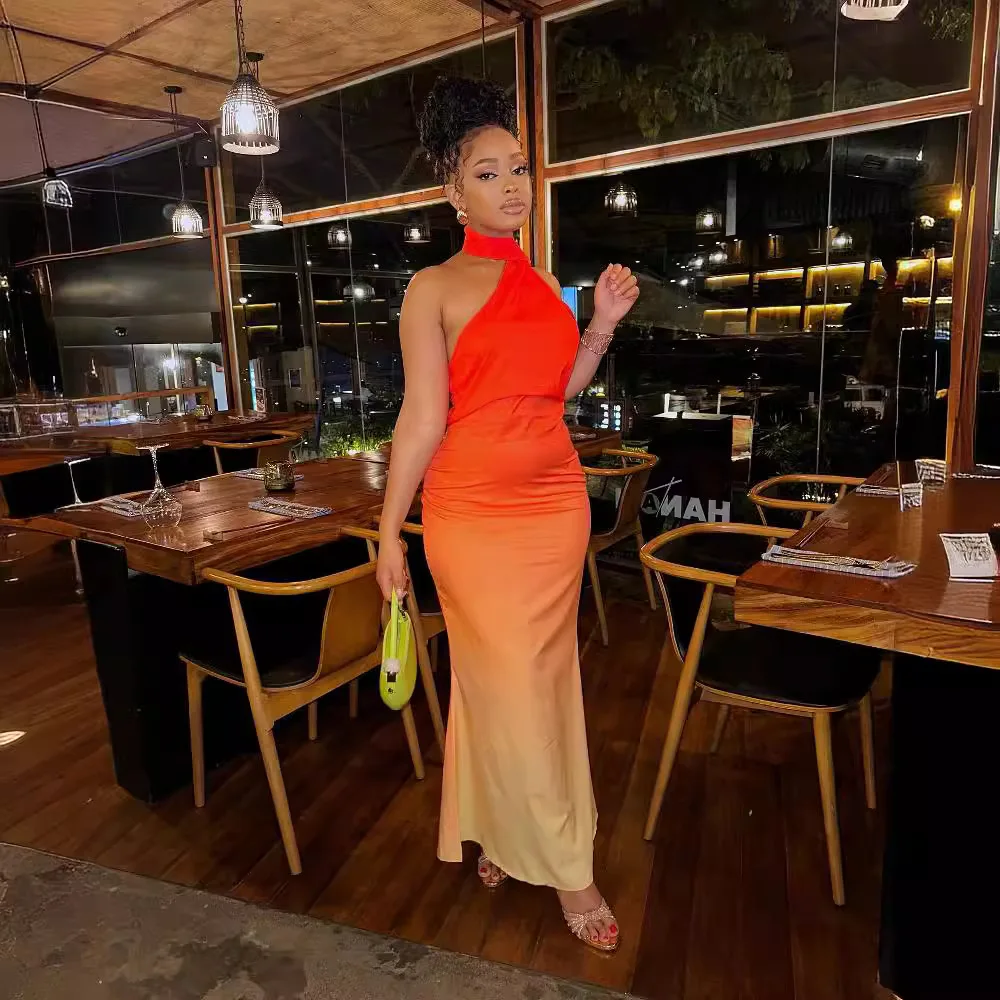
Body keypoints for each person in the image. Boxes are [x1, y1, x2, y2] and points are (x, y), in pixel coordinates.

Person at [375, 76, 639, 952]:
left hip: (555, 507)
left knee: (521, 685)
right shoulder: (432, 287)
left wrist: (601, 323)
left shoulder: (545, 284)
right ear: (453, 191)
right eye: (488, 173)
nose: (512, 185)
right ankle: (569, 871)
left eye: (519, 168)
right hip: (472, 517)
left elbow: (556, 390)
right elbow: (421, 419)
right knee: (515, 685)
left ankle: (497, 827)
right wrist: (389, 533)